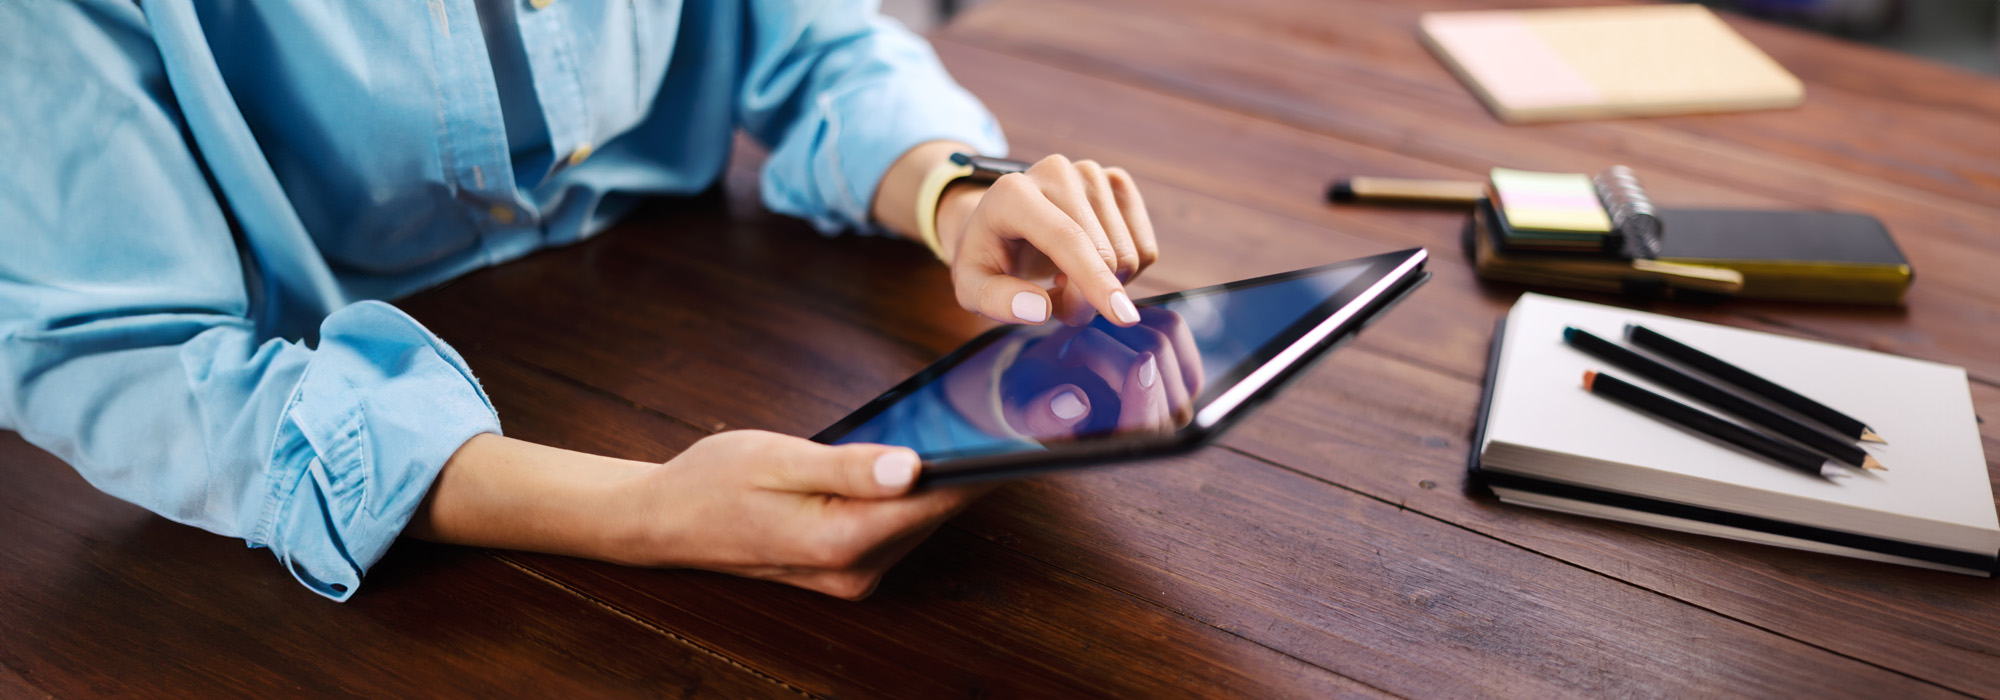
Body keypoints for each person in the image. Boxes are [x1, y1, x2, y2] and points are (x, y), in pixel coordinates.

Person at [0, 0, 1159, 601]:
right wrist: (646, 514)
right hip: (295, 555)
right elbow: (119, 355)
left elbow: (813, 42)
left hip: (697, 316)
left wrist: (953, 196)